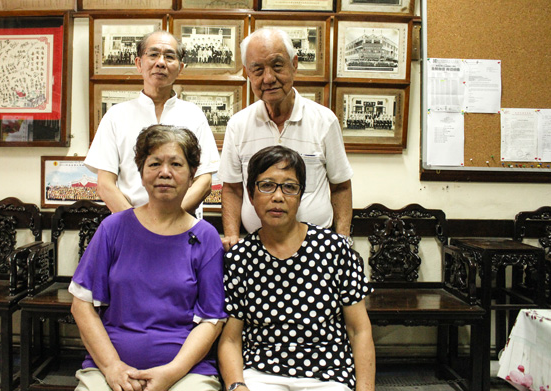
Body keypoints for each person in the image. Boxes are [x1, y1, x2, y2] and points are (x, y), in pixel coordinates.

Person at [70, 124, 227, 391]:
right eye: (155, 163)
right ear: (142, 173)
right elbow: (81, 305)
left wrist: (170, 373)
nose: (165, 173)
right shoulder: (113, 228)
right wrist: (112, 367)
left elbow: (212, 321)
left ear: (191, 176)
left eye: (176, 164)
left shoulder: (206, 236)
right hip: (110, 368)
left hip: (185, 373)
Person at [218, 145, 375, 391]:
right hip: (261, 373)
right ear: (251, 195)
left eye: (289, 187)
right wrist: (237, 386)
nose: (278, 197)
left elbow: (359, 330)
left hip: (328, 374)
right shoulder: (240, 258)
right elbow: (230, 338)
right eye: (267, 185)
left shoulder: (335, 250)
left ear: (300, 195)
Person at [218, 28, 353, 250]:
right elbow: (232, 188)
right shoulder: (238, 124)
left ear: (294, 64)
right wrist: (232, 237)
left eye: (277, 66)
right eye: (258, 70)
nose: (268, 78)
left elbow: (341, 185)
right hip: (257, 250)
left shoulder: (324, 120)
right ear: (247, 74)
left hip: (317, 250)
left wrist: (342, 240)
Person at [85, 30, 220, 217]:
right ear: (139, 63)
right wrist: (138, 225)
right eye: (154, 54)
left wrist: (169, 220)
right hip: (130, 225)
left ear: (180, 68)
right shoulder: (116, 116)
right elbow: (105, 184)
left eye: (169, 56)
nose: (161, 62)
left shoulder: (194, 115)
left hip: (182, 225)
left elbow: (204, 181)